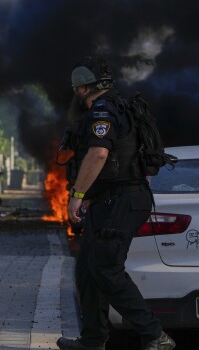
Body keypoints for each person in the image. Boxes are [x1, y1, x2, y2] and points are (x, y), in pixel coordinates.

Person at [56, 56, 175, 350]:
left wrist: (78, 194)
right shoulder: (118, 106)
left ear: (82, 89)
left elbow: (98, 154)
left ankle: (154, 334)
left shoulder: (103, 111)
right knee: (87, 270)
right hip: (108, 199)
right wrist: (91, 197)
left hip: (122, 200)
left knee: (106, 269)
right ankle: (92, 340)